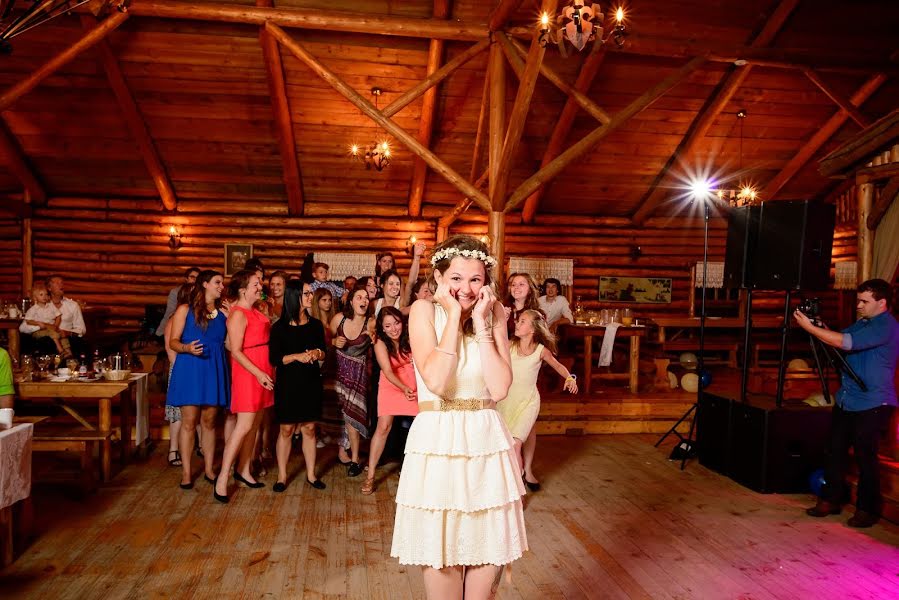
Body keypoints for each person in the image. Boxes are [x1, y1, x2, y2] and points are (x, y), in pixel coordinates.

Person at [391, 235, 526, 599]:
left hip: (485, 444)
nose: (465, 289)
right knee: (444, 571)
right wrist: (453, 317)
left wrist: (481, 323)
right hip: (439, 444)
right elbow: (435, 380)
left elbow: (498, 388)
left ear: (486, 282)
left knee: (482, 587)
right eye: (456, 278)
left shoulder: (494, 314)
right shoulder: (422, 311)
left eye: (475, 279)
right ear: (438, 278)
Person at [796, 278, 899, 528]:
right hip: (848, 398)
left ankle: (867, 509)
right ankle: (831, 499)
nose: (859, 306)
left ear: (882, 303)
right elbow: (840, 337)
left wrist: (810, 329)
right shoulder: (863, 323)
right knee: (834, 450)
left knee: (865, 455)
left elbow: (846, 343)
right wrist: (820, 325)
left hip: (874, 401)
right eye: (859, 300)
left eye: (865, 301)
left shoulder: (886, 326)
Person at [498, 309, 577, 492]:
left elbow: (558, 366)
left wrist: (570, 378)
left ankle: (518, 492)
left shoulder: (541, 351)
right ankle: (512, 482)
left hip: (528, 402)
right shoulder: (509, 345)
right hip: (507, 402)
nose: (517, 324)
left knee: (516, 444)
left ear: (533, 329)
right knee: (507, 446)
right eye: (518, 321)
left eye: (523, 321)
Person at [214, 270, 275, 503]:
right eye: (256, 284)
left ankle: (244, 469)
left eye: (259, 284)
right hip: (249, 372)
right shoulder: (238, 314)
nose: (260, 287)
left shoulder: (256, 309)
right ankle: (222, 477)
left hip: (263, 367)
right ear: (243, 289)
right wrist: (259, 373)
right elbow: (236, 350)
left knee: (256, 424)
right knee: (244, 425)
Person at [167, 270, 229, 489]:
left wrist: (233, 316)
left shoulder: (223, 313)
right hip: (190, 367)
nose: (221, 286)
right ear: (204, 284)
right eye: (217, 282)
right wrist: (186, 348)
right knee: (189, 422)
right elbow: (173, 341)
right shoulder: (185, 310)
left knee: (210, 422)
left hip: (214, 367)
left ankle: (210, 468)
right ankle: (186, 472)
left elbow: (230, 343)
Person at [269, 284, 327, 492]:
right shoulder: (279, 328)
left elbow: (324, 352)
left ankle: (311, 475)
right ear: (295, 297)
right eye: (307, 293)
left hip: (310, 382)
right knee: (286, 429)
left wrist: (316, 353)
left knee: (310, 429)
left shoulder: (316, 326)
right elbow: (274, 358)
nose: (310, 296)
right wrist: (296, 356)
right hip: (287, 384)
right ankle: (282, 476)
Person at [361, 307, 418, 495]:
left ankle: (414, 471)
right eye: (388, 325)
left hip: (412, 382)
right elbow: (387, 370)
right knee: (383, 427)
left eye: (396, 323)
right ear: (382, 328)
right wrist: (403, 388)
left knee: (420, 426)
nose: (394, 329)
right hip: (392, 384)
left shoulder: (411, 337)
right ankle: (370, 477)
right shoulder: (379, 342)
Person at [329, 287, 375, 477]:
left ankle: (355, 459)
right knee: (338, 418)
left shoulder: (371, 322)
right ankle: (342, 451)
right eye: (359, 297)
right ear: (351, 302)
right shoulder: (339, 319)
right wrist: (333, 342)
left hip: (358, 376)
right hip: (338, 373)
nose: (363, 301)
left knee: (353, 418)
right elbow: (324, 339)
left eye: (366, 297)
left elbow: (380, 344)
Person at [163, 283, 195, 467]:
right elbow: (170, 350)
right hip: (180, 370)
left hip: (190, 370)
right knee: (177, 414)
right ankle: (173, 449)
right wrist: (184, 372)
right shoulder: (175, 318)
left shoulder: (193, 317)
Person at [20, 284, 70, 357]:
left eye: (46, 294)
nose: (44, 297)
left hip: (51, 328)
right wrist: (37, 323)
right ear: (35, 297)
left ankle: (68, 351)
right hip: (39, 331)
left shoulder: (50, 306)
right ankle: (60, 350)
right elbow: (28, 321)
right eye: (41, 295)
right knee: (53, 334)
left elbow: (58, 316)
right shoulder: (33, 309)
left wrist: (55, 325)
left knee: (62, 332)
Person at [156, 268, 200, 336]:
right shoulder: (176, 292)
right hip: (174, 324)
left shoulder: (201, 292)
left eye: (197, 278)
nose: (195, 280)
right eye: (192, 277)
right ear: (186, 278)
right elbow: (170, 312)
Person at [504, 272, 541, 338]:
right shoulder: (502, 308)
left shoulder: (537, 314)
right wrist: (502, 321)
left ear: (530, 289)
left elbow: (538, 340)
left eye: (521, 284)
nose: (516, 287)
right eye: (513, 285)